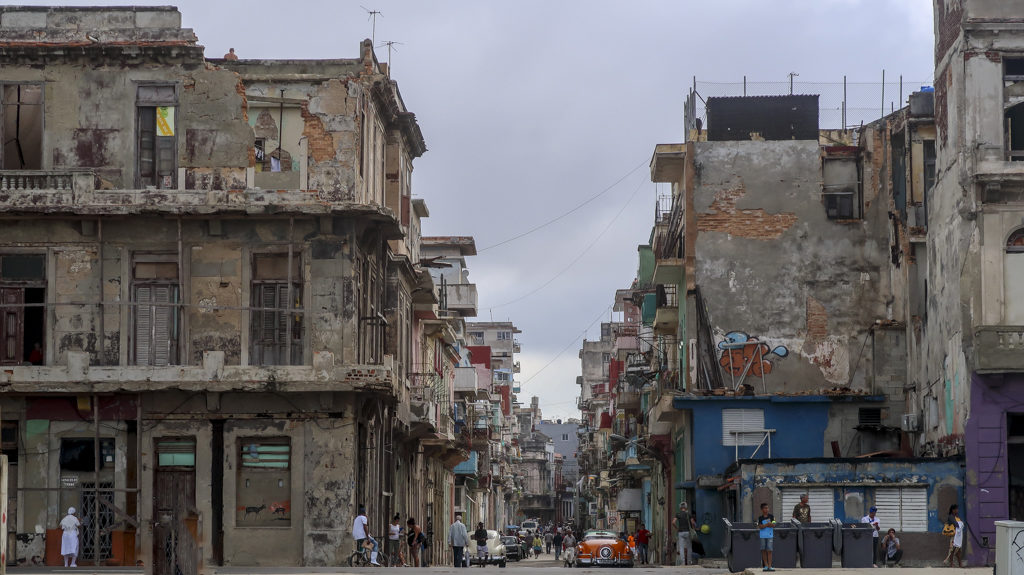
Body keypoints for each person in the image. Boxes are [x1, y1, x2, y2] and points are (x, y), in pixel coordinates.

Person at [672, 501, 696, 565]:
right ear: (686, 507)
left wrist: (677, 528)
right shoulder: (688, 514)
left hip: (680, 532)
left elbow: (673, 522)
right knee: (689, 547)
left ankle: (683, 562)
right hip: (688, 532)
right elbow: (693, 523)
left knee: (681, 548)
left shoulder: (678, 514)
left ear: (680, 507)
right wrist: (693, 528)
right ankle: (689, 562)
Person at [758, 502, 776, 572]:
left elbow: (774, 524)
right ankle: (765, 565)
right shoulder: (760, 518)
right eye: (765, 508)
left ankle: (770, 566)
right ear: (762, 509)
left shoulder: (772, 516)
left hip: (770, 536)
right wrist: (767, 524)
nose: (767, 509)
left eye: (768, 508)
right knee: (763, 550)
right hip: (762, 536)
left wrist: (769, 524)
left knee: (769, 550)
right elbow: (760, 526)